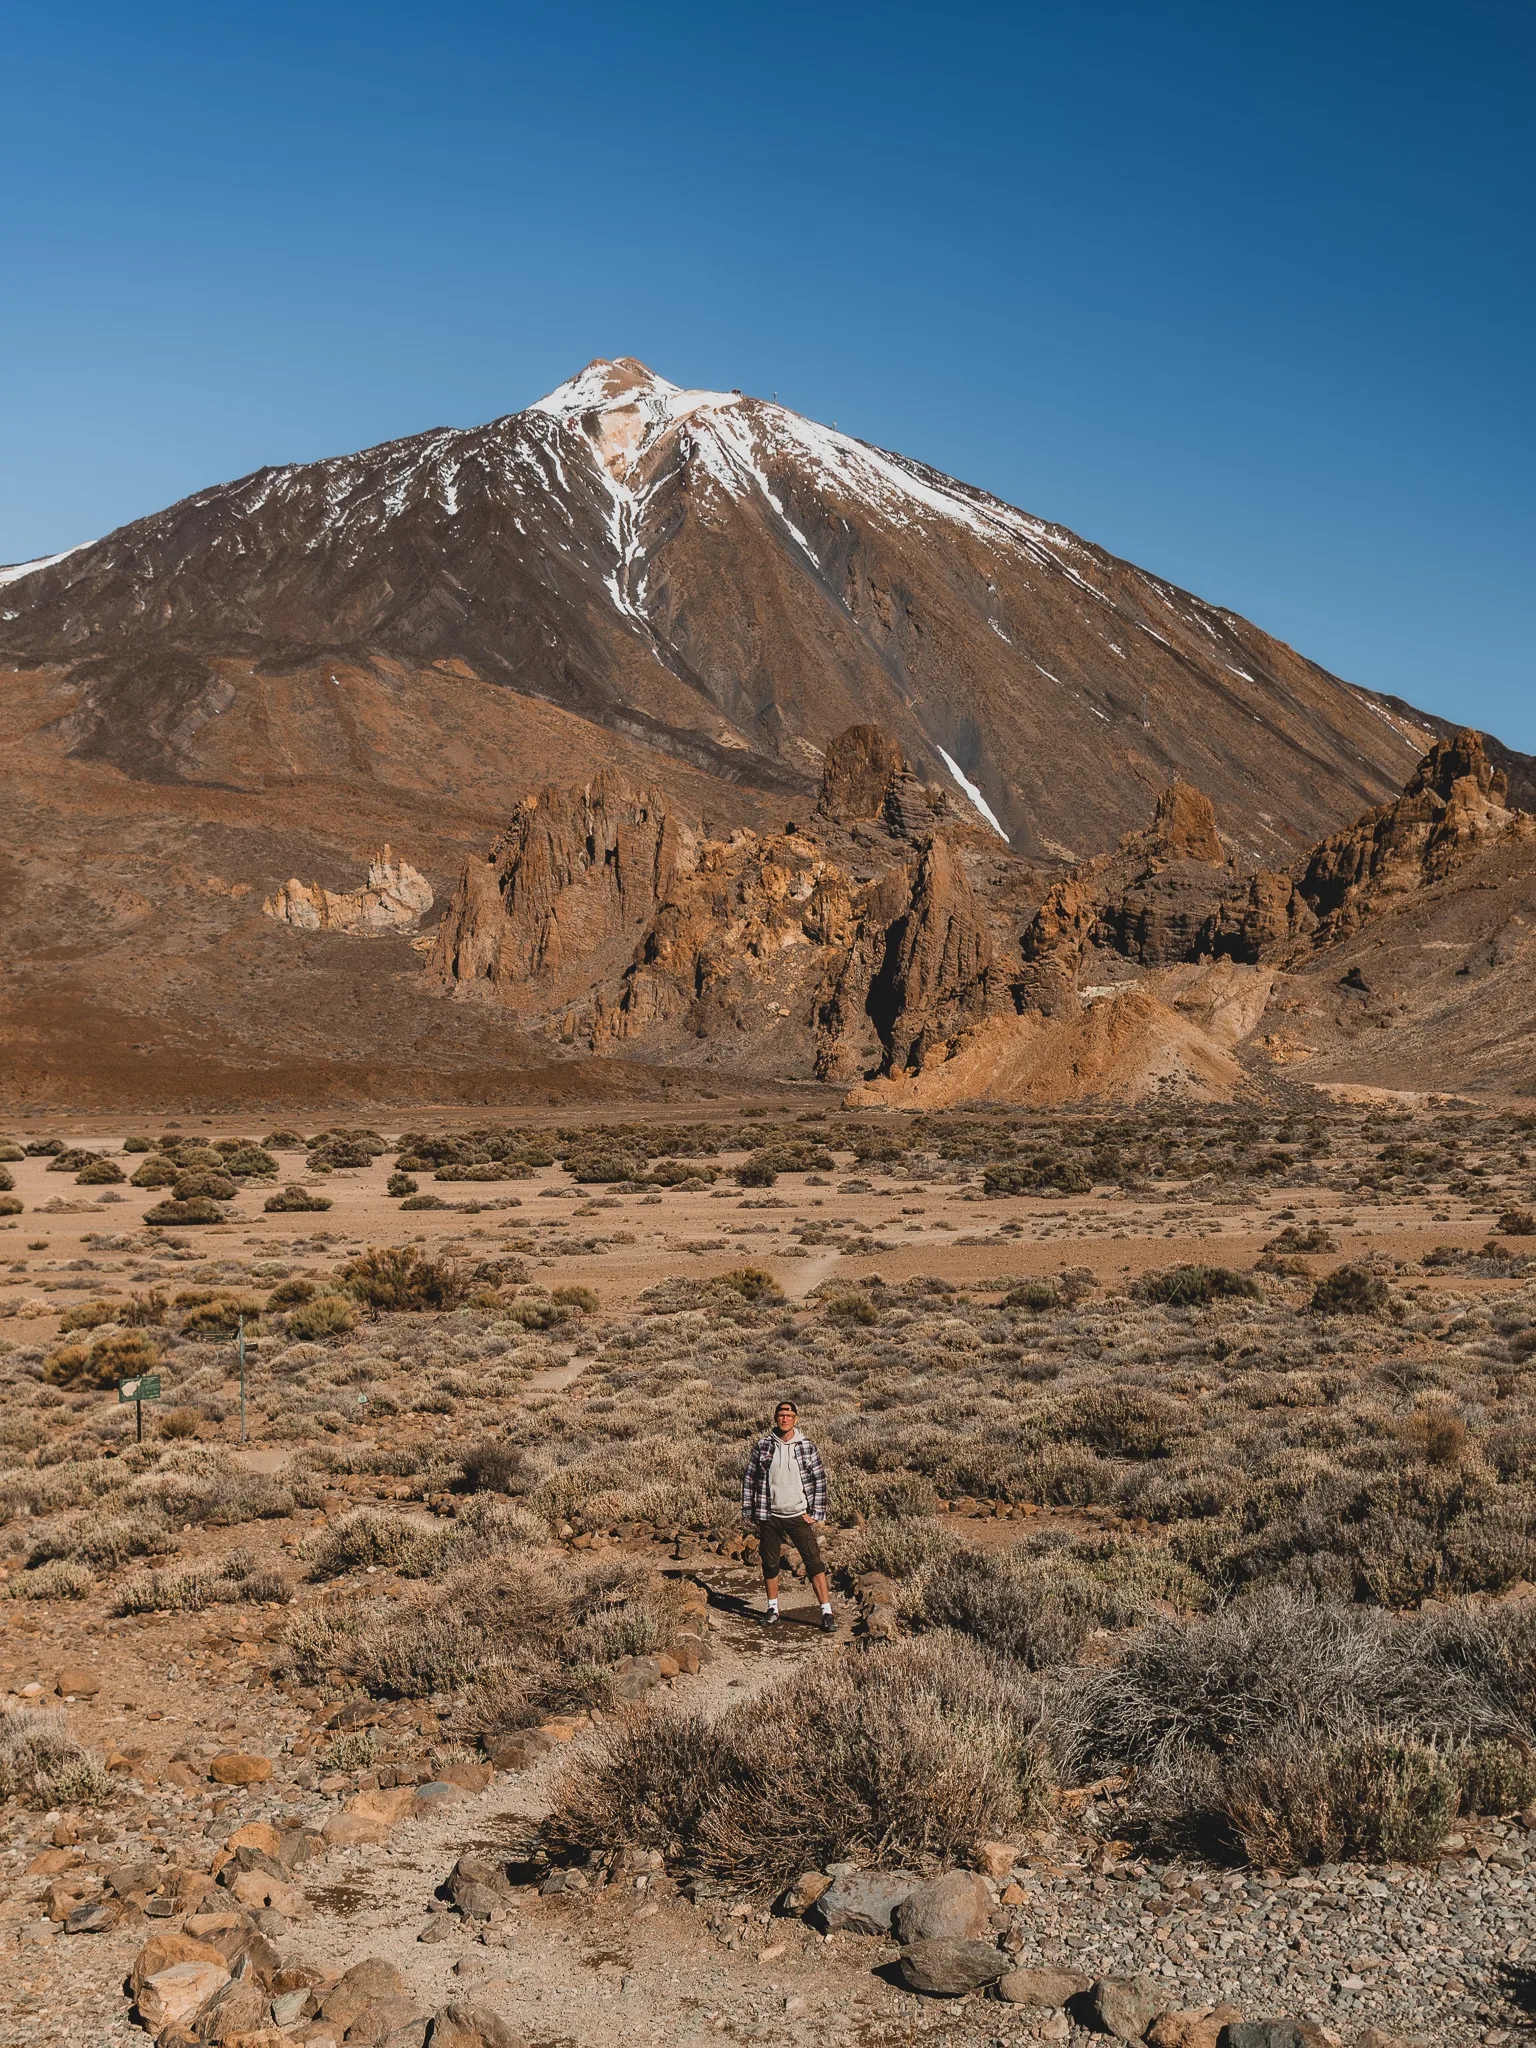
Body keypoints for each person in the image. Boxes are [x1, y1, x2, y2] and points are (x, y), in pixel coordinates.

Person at [741, 1399, 835, 1632]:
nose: (785, 1419)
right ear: (775, 1418)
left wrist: (816, 1512)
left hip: (798, 1515)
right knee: (770, 1563)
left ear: (796, 1419)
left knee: (814, 1562)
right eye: (781, 1415)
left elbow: (819, 1480)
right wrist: (749, 1511)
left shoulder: (806, 1446)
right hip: (769, 1515)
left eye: (789, 1415)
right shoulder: (763, 1445)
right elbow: (750, 1478)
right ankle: (773, 1608)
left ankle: (826, 1612)